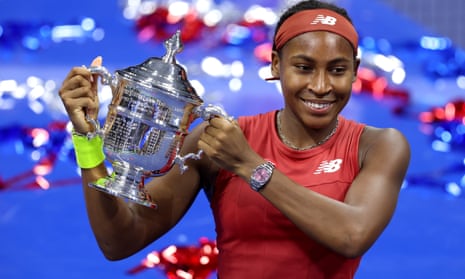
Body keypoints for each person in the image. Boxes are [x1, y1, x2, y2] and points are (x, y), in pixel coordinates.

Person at [58, 0, 410, 278]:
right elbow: (119, 241)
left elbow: (353, 235)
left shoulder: (379, 146)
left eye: (337, 70)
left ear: (355, 70)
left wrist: (250, 165)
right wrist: (87, 140)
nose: (320, 86)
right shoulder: (219, 142)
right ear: (275, 65)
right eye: (303, 67)